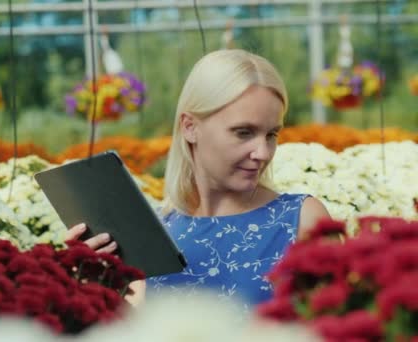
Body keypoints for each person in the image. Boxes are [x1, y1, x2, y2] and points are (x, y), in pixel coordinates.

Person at [67, 49, 331, 308]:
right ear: (190, 127)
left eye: (271, 134)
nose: (263, 152)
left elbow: (341, 327)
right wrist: (97, 286)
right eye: (243, 132)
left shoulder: (301, 221)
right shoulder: (154, 232)